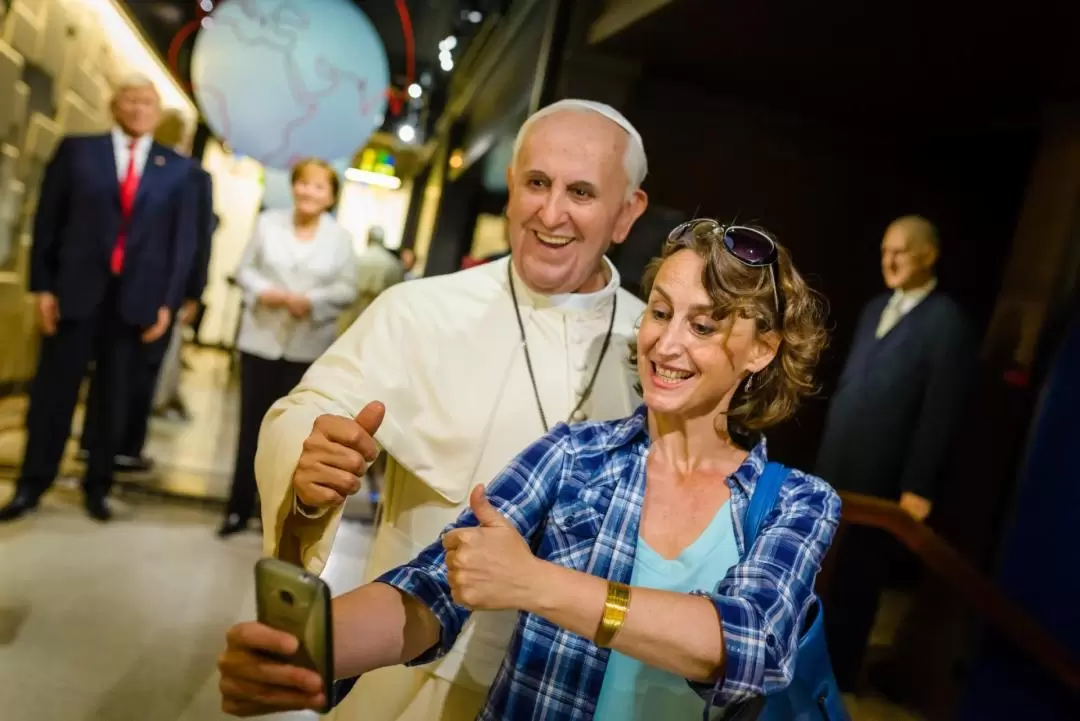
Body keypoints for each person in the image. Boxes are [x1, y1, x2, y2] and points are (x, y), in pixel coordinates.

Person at [218, 219, 840, 720]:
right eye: (658, 311)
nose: (666, 343)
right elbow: (432, 588)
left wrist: (535, 584)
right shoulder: (573, 456)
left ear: (762, 349)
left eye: (702, 325)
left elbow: (746, 644)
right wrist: (310, 650)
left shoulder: (797, 504)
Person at [251, 99, 649, 721]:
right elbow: (309, 410)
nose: (551, 213)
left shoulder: (658, 347)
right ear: (512, 185)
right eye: (537, 183)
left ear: (627, 214)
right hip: (417, 664)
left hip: (574, 686)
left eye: (581, 192)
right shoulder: (417, 311)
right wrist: (311, 458)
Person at [0, 72, 197, 522]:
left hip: (136, 301)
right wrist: (42, 288)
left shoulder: (178, 170)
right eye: (130, 100)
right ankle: (32, 483)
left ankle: (98, 487)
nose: (138, 108)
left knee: (114, 399)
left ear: (157, 111)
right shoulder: (77, 152)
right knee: (54, 394)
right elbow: (47, 220)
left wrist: (168, 302)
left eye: (147, 102)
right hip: (75, 292)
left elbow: (179, 244)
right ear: (115, 106)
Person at [815, 215, 977, 690]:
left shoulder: (947, 322)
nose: (889, 260)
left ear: (929, 254)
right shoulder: (874, 308)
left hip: (883, 480)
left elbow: (940, 410)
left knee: (859, 580)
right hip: (839, 466)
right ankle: (797, 661)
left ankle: (838, 674)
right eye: (885, 250)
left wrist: (918, 486)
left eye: (901, 251)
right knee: (821, 572)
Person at [218, 158, 358, 537]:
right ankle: (236, 508)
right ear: (293, 187)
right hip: (260, 340)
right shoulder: (268, 223)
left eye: (319, 187)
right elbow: (244, 269)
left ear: (330, 196)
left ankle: (276, 518)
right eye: (304, 184)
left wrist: (311, 300)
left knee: (295, 435)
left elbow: (348, 289)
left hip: (306, 347)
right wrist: (268, 292)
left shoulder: (340, 239)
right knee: (251, 428)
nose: (309, 192)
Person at [78, 110, 215, 467]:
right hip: (150, 286)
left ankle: (100, 442)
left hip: (138, 283)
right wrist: (193, 291)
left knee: (117, 367)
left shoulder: (179, 173)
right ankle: (121, 446)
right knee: (136, 368)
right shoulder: (190, 175)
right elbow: (196, 242)